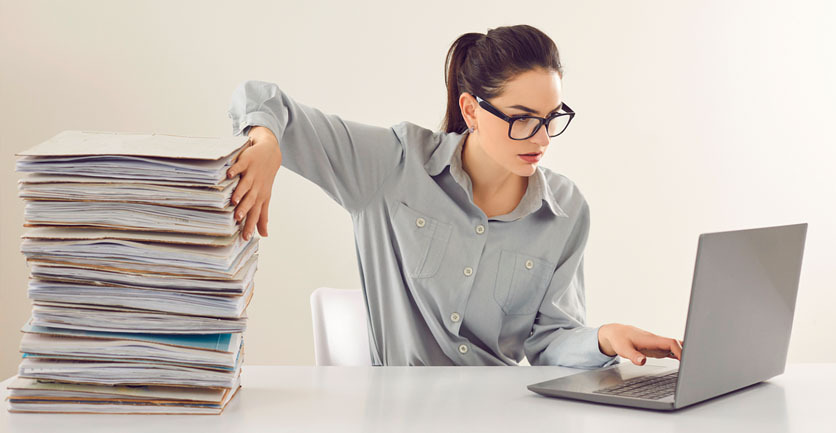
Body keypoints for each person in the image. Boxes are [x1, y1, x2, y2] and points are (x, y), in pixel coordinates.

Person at [226, 24, 683, 367]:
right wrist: (266, 141)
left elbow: (548, 341)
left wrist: (603, 337)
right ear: (471, 110)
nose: (541, 139)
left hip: (501, 415)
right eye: (522, 118)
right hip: (396, 416)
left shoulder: (566, 211)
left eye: (551, 117)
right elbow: (260, 97)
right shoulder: (392, 165)